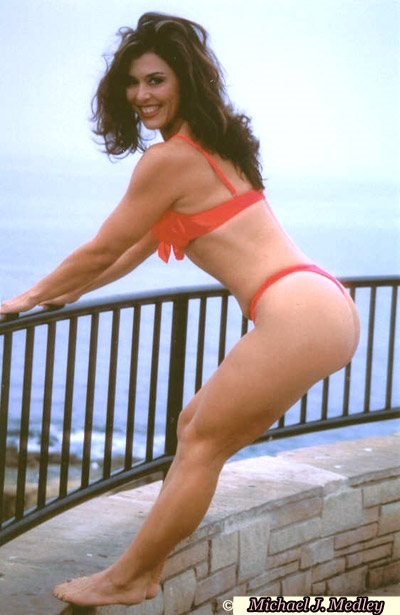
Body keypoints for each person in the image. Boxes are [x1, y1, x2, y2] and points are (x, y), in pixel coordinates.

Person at [0, 12, 360, 607]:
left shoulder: (167, 161)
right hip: (321, 303)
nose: (141, 94)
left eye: (156, 80)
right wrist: (71, 291)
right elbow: (130, 252)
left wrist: (28, 297)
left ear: (184, 81)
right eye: (132, 82)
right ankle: (146, 566)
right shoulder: (210, 148)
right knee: (194, 426)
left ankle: (131, 577)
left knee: (201, 446)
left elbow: (102, 248)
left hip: (298, 312)